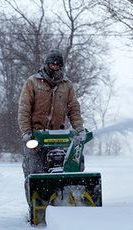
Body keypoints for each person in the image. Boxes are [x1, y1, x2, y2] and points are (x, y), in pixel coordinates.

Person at [17, 48, 86, 179]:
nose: (55, 67)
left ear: (61, 66)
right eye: (52, 64)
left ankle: (73, 188)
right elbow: (24, 109)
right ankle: (37, 194)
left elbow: (74, 110)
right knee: (34, 169)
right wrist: (26, 132)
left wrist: (79, 129)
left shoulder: (67, 85)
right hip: (36, 136)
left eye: (57, 65)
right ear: (47, 64)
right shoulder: (32, 82)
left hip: (59, 135)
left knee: (76, 159)